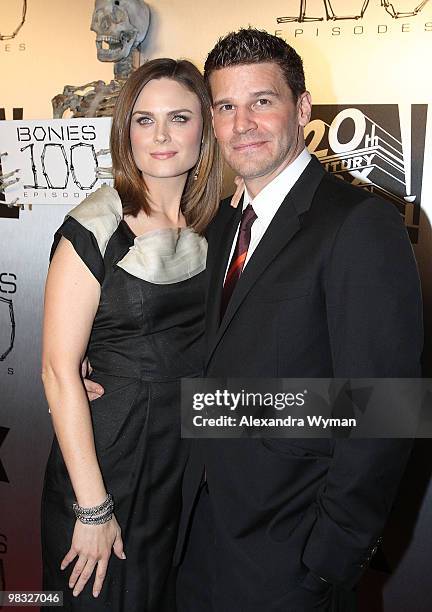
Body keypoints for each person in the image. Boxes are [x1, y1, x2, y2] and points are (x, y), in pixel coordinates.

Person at [171, 29, 424, 612]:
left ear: (302, 109)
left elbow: (386, 405)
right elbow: (220, 374)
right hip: (198, 544)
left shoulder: (358, 224)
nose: (242, 124)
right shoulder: (221, 226)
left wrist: (327, 561)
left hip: (290, 562)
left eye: (262, 101)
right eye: (226, 107)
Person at [41, 58, 222, 611]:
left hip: (189, 464)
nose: (161, 135)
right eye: (144, 120)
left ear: (206, 130)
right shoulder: (93, 229)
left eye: (179, 117)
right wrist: (92, 509)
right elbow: (57, 371)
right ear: (126, 133)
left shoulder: (221, 223)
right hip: (110, 461)